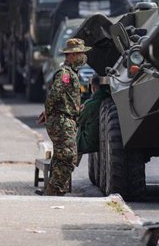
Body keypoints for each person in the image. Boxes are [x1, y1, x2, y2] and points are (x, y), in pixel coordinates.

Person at [36, 38, 91, 196]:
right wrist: (48, 112)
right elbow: (54, 94)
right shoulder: (65, 74)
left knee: (62, 155)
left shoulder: (71, 72)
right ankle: (54, 190)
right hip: (61, 120)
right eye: (80, 53)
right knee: (68, 156)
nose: (83, 57)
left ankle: (53, 189)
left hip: (65, 119)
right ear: (71, 55)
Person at [76, 75, 111, 158]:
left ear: (93, 88)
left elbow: (79, 120)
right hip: (106, 141)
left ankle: (71, 163)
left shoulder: (89, 104)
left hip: (92, 143)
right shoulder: (109, 100)